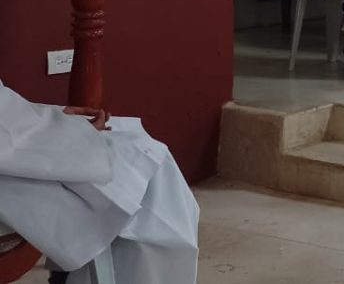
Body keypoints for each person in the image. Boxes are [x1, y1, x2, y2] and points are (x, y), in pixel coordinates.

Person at [0, 81, 199, 284]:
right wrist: (58, 129)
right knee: (134, 193)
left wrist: (51, 120)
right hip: (12, 163)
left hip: (20, 136)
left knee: (148, 160)